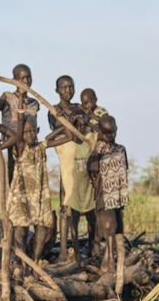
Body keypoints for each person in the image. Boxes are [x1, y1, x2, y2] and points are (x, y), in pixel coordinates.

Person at [4, 118, 53, 263]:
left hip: (39, 193)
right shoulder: (20, 147)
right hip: (21, 194)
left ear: (37, 131)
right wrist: (20, 99)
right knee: (20, 229)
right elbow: (19, 124)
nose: (30, 135)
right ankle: (23, 261)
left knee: (42, 226)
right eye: (25, 132)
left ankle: (36, 261)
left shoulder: (42, 147)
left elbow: (69, 136)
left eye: (32, 131)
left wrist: (65, 122)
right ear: (21, 134)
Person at [51, 110, 97, 262]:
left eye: (82, 125)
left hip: (88, 188)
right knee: (74, 221)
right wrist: (68, 124)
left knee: (92, 219)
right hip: (72, 190)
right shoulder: (65, 145)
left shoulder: (89, 141)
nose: (80, 127)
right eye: (77, 125)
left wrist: (87, 120)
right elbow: (48, 139)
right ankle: (75, 250)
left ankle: (92, 247)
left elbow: (102, 132)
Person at [87, 115, 129, 271]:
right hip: (104, 193)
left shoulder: (121, 149)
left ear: (116, 130)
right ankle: (109, 258)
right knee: (108, 225)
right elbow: (91, 169)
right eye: (105, 132)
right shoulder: (99, 148)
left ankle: (110, 257)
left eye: (112, 131)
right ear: (100, 133)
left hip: (118, 194)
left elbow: (123, 170)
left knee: (116, 225)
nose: (109, 135)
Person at [0, 63, 40, 179]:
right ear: (14, 80)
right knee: (14, 176)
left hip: (30, 144)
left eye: (28, 77)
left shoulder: (34, 102)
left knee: (31, 178)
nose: (26, 81)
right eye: (22, 78)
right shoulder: (7, 97)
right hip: (12, 143)